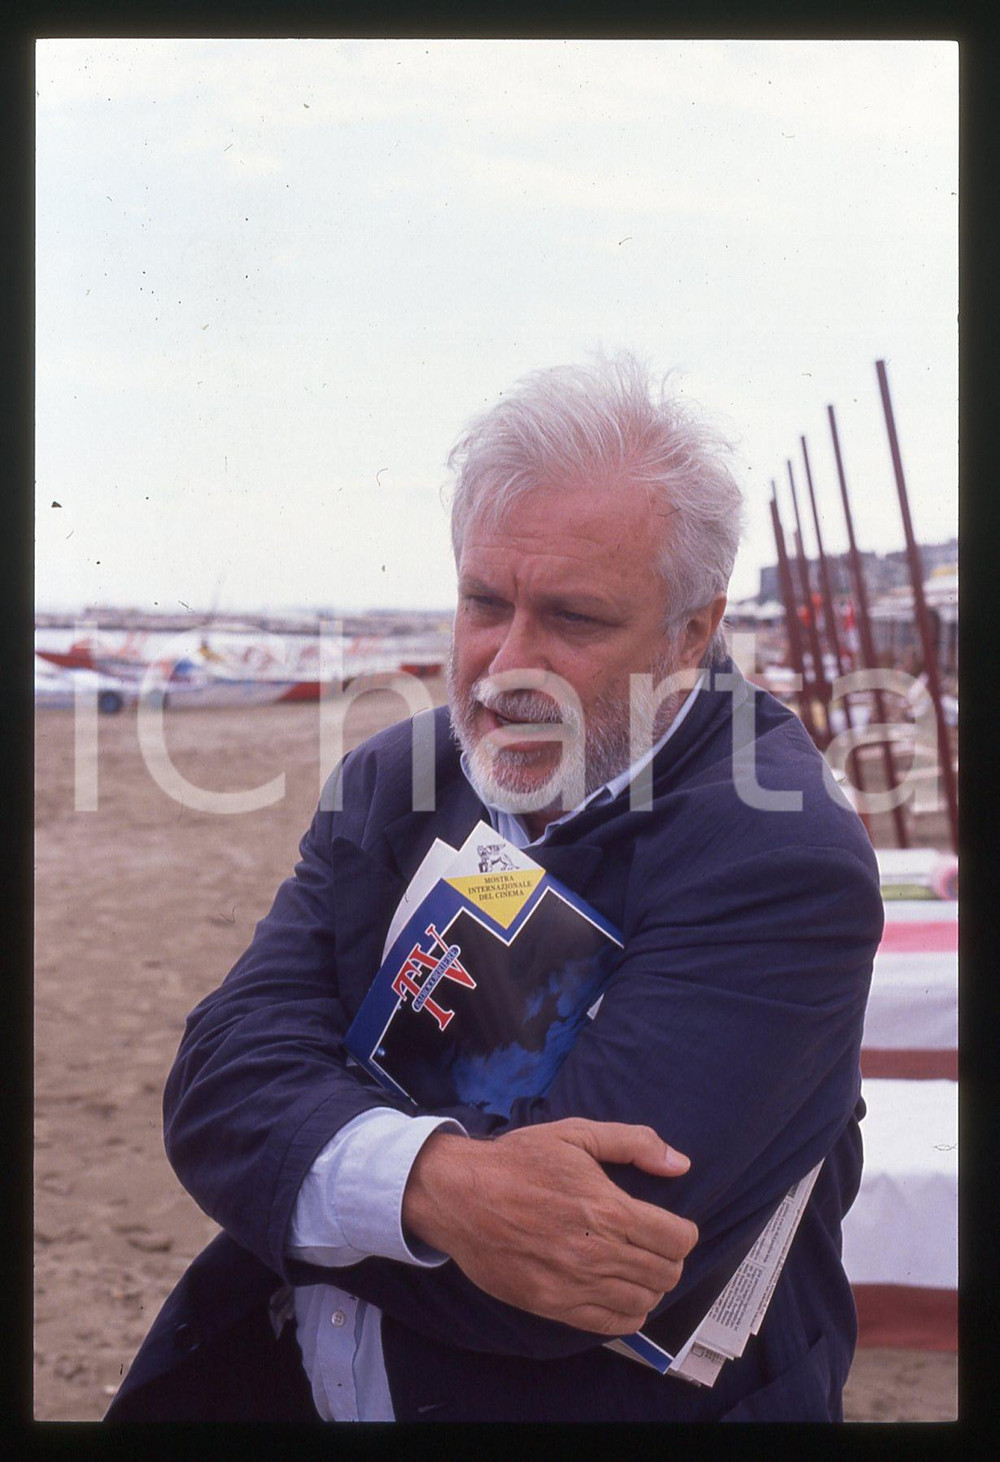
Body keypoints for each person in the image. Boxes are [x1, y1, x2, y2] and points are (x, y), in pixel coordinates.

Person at [106, 353, 882, 1423]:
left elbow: (561, 1286)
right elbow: (214, 1088)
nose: (503, 663)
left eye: (572, 618)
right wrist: (439, 1188)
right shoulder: (396, 778)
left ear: (692, 634)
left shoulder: (776, 856)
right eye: (482, 601)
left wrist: (304, 1182)